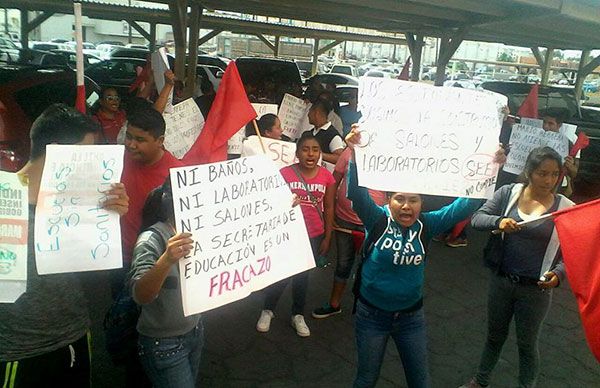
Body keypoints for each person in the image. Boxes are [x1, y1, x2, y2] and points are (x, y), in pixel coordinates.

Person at [344, 127, 503, 388]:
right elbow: (357, 196)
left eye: (414, 200)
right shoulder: (376, 220)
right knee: (366, 379)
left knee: (420, 382)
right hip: (372, 317)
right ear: (389, 201)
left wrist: (490, 168)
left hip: (410, 319)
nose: (406, 206)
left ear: (421, 203)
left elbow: (463, 206)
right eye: (400, 199)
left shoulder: (427, 225)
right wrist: (354, 151)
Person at [0, 104, 129, 387]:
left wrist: (108, 219)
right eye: (86, 153)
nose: (93, 162)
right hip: (18, 351)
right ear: (59, 152)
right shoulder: (5, 200)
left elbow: (95, 273)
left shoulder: (82, 201)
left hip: (74, 338)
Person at [460, 146, 574, 388]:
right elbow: (478, 219)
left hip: (537, 290)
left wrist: (559, 273)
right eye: (543, 173)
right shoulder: (508, 193)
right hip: (502, 281)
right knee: (494, 336)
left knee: (527, 344)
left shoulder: (565, 207)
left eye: (555, 174)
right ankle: (480, 381)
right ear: (529, 172)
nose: (549, 180)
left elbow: (572, 252)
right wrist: (499, 221)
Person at [256, 132, 335, 337]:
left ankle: (297, 314)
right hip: (287, 234)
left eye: (315, 149)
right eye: (305, 149)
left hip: (313, 234)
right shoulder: (284, 173)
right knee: (280, 273)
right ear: (297, 153)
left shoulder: (327, 177)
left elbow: (329, 207)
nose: (311, 153)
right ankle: (268, 310)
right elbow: (270, 203)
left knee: (302, 276)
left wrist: (327, 236)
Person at [130, 178, 203, 388]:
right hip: (163, 342)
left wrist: (283, 207)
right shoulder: (151, 240)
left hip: (196, 329)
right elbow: (140, 294)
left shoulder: (205, 228)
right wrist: (167, 259)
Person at [312, 147, 386, 318]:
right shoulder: (348, 153)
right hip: (344, 220)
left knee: (372, 266)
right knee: (343, 264)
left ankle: (368, 308)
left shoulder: (387, 154)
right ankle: (334, 304)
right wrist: (328, 216)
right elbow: (333, 183)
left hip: (374, 223)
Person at [307, 99, 345, 164]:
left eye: (310, 111)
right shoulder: (308, 133)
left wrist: (319, 155)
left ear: (317, 113)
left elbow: (339, 158)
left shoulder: (333, 135)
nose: (308, 115)